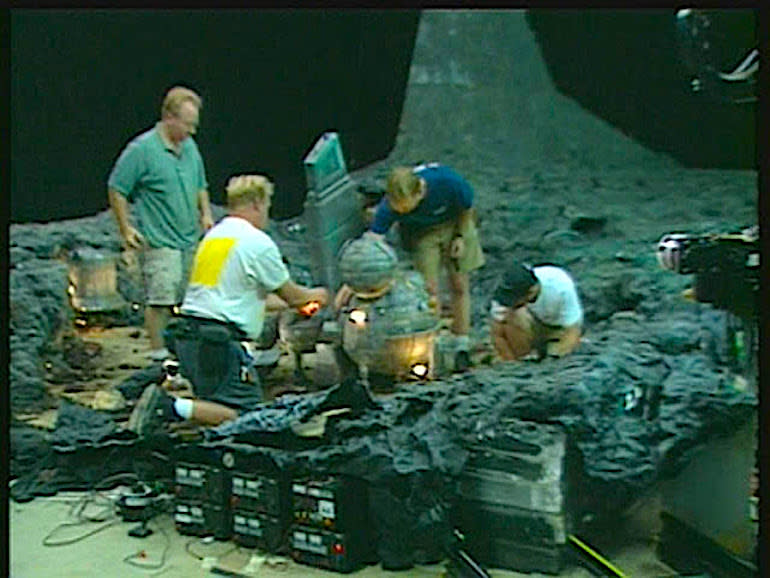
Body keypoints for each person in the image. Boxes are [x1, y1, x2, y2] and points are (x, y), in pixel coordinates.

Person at [128, 174, 329, 434]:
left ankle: (173, 412)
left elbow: (241, 296)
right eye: (267, 206)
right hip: (218, 344)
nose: (267, 214)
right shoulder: (257, 242)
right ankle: (167, 407)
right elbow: (293, 295)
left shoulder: (215, 238)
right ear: (257, 203)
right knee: (248, 417)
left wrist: (291, 304)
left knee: (216, 409)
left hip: (190, 338)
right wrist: (319, 295)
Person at [107, 86, 214, 361]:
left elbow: (200, 183)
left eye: (195, 125)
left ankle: (186, 352)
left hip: (189, 238)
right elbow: (117, 187)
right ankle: (159, 356)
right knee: (161, 299)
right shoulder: (142, 150)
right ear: (169, 117)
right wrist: (126, 228)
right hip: (160, 240)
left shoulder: (189, 147)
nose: (192, 131)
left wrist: (205, 213)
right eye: (187, 124)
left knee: (192, 298)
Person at [367, 163, 485, 371]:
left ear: (420, 192)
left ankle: (461, 341)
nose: (401, 211)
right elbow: (374, 238)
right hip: (422, 233)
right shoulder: (391, 204)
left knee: (459, 283)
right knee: (429, 289)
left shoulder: (448, 183)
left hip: (454, 223)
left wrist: (460, 237)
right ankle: (434, 342)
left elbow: (467, 209)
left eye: (407, 207)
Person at [490, 263, 583, 361]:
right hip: (531, 323)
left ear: (531, 292)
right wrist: (511, 363)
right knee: (513, 317)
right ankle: (524, 356)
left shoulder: (560, 287)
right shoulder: (503, 295)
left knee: (560, 352)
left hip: (559, 328)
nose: (510, 302)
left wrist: (555, 358)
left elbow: (573, 329)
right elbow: (497, 334)